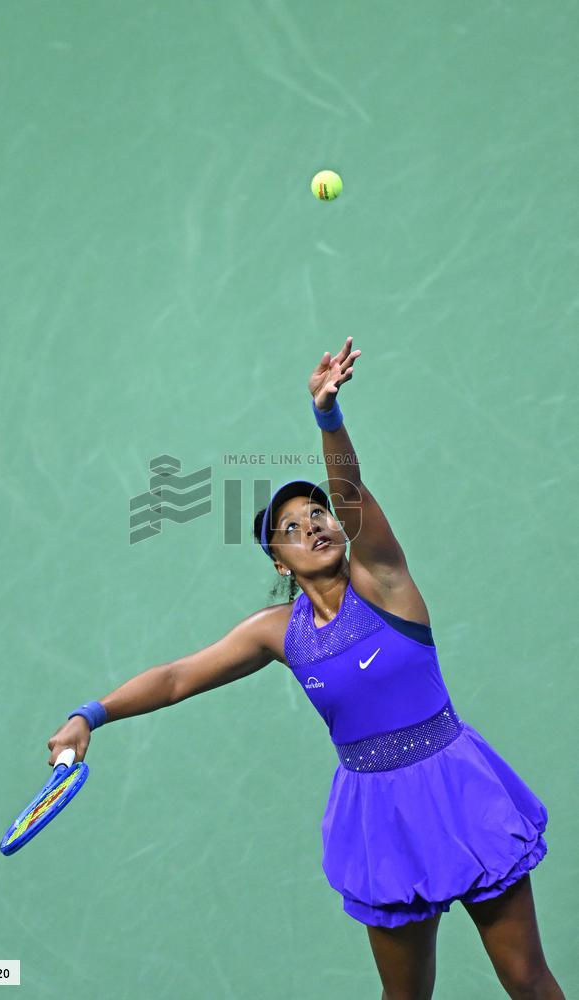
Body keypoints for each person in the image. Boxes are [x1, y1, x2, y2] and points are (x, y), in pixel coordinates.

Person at [48, 338, 565, 999]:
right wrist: (88, 714)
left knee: (524, 977)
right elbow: (177, 678)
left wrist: (326, 416)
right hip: (378, 814)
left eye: (317, 513)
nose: (314, 525)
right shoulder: (277, 633)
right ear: (278, 562)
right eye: (292, 527)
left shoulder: (384, 583)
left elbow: (347, 489)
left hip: (457, 790)